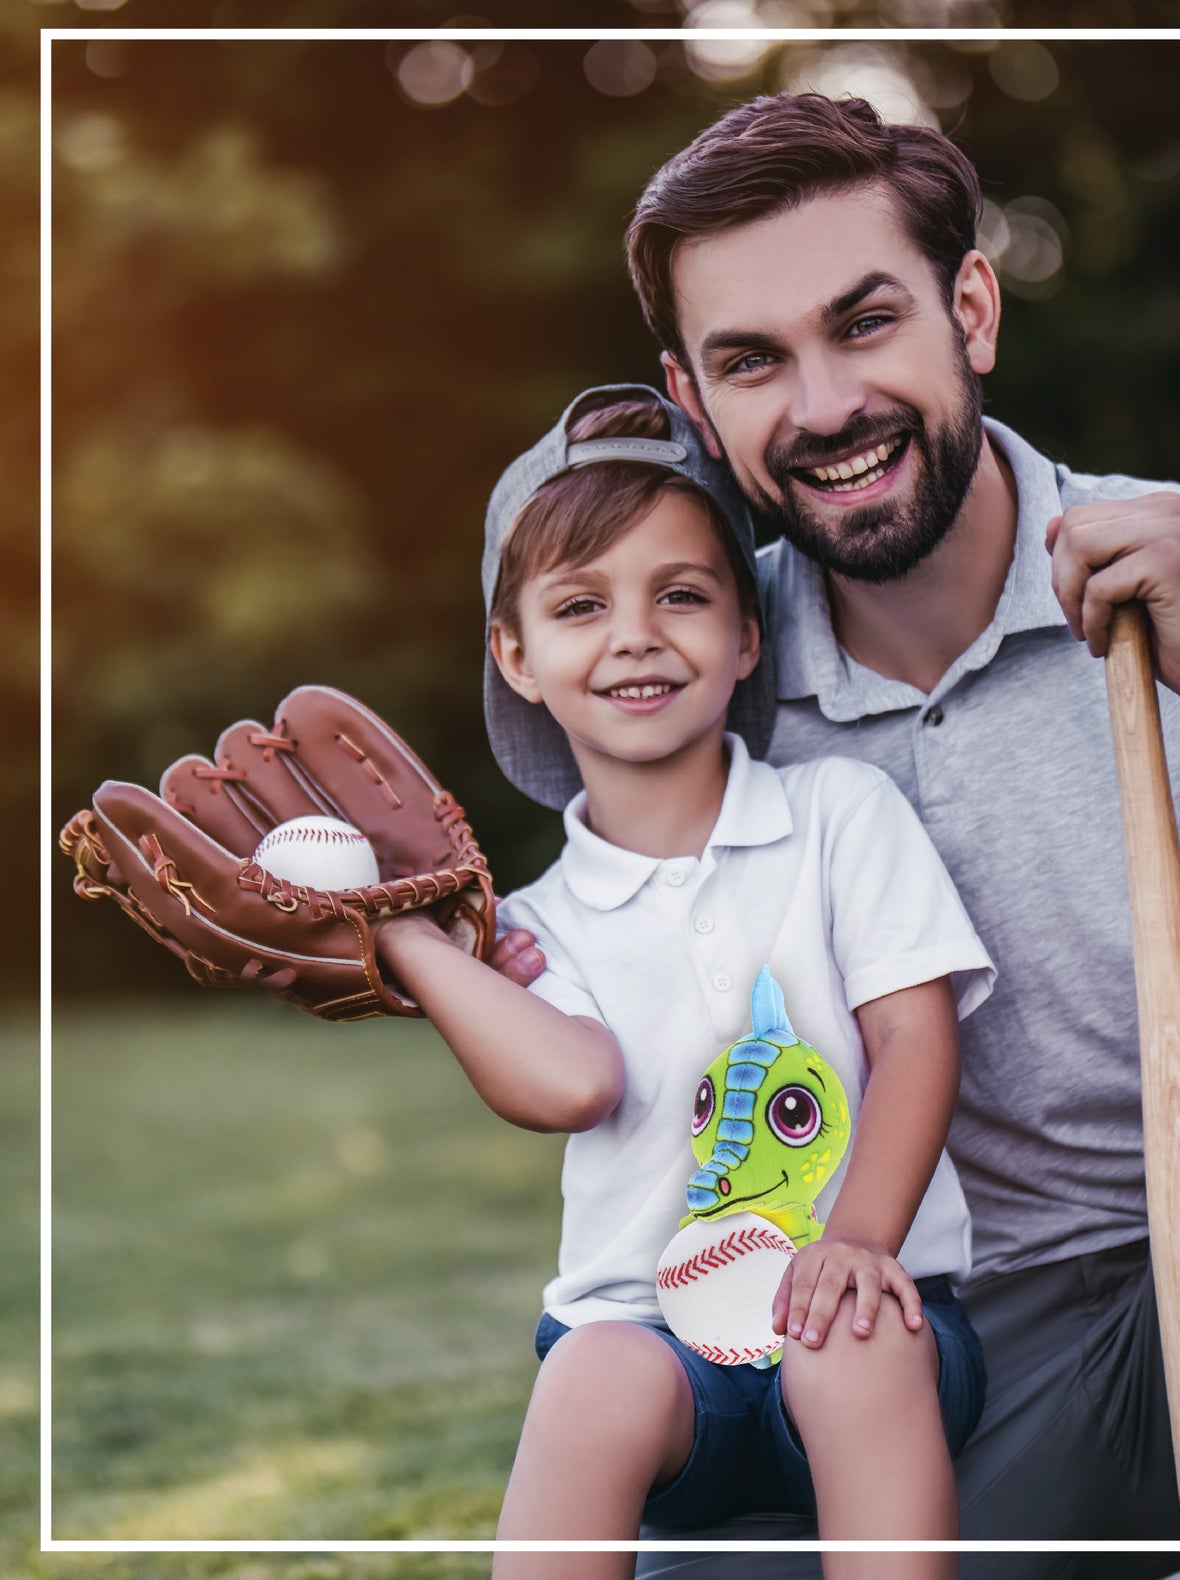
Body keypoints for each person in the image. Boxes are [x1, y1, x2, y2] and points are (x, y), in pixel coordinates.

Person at [490, 94, 1180, 1578]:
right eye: (752, 361)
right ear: (692, 396)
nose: (820, 407)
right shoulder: (699, 667)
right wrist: (389, 937)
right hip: (967, 1347)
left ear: (973, 307)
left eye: (864, 323)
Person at [378, 384, 997, 1579]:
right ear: (514, 653)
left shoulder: (836, 816)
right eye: (576, 605)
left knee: (852, 1337)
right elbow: (569, 1083)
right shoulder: (530, 926)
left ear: (747, 631)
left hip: (873, 1318)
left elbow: (915, 1041)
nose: (634, 635)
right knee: (591, 1371)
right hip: (660, 1358)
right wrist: (410, 940)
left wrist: (856, 1238)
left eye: (680, 594)